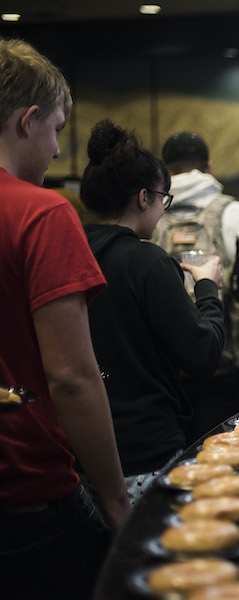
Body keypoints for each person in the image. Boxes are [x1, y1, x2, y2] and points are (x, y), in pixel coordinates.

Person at [0, 38, 131, 599]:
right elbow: (72, 378)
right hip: (26, 496)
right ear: (27, 121)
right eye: (55, 128)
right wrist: (116, 499)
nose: (57, 151)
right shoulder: (42, 211)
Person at [81, 119, 226, 502]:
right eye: (165, 199)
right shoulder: (147, 261)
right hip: (145, 452)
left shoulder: (69, 250)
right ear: (144, 197)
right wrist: (207, 287)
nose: (163, 211)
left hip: (81, 449)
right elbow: (203, 354)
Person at [155, 131, 239, 439]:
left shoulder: (150, 213)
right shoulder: (236, 213)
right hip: (225, 361)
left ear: (166, 168)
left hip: (164, 366)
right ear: (208, 167)